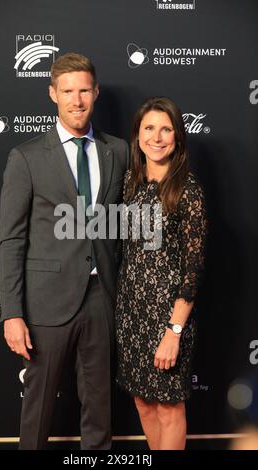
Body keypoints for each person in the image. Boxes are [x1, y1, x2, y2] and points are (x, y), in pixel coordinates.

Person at [0, 52, 129, 450]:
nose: (77, 100)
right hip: (45, 302)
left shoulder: (118, 151)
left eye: (84, 90)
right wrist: (12, 313)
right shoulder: (27, 157)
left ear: (96, 92)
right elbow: (11, 240)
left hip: (101, 297)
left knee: (99, 408)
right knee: (37, 408)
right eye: (68, 91)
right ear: (53, 93)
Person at [115, 96, 207, 450]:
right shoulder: (129, 183)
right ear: (137, 135)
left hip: (168, 316)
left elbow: (193, 269)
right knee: (143, 401)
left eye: (166, 129)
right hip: (131, 314)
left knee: (169, 407)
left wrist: (174, 331)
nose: (157, 137)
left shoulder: (188, 190)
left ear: (178, 137)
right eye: (149, 128)